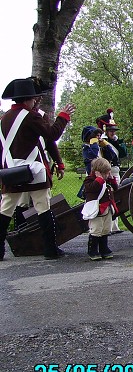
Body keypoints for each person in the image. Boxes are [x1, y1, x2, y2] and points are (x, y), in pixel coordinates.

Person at [0, 78, 75, 260]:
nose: (35, 101)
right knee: (43, 208)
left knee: (5, 210)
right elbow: (52, 135)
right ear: (28, 99)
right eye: (33, 98)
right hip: (33, 172)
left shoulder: (4, 118)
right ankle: (50, 249)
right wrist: (63, 117)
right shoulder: (32, 116)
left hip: (11, 171)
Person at [96, 109, 127, 233]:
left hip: (115, 170)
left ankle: (115, 225)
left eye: (113, 130)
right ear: (105, 130)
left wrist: (117, 143)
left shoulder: (114, 142)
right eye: (110, 131)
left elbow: (123, 154)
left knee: (116, 196)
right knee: (107, 197)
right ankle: (108, 226)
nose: (113, 133)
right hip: (106, 171)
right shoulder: (103, 143)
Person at [81, 157, 119, 260]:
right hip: (97, 209)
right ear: (98, 172)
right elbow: (92, 188)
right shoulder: (90, 180)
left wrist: (111, 179)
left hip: (107, 207)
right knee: (96, 230)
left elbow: (116, 188)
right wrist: (100, 179)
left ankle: (104, 249)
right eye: (105, 173)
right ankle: (92, 250)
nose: (107, 175)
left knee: (106, 229)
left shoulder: (107, 180)